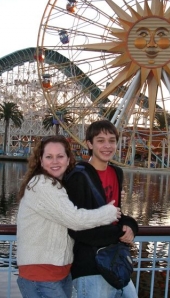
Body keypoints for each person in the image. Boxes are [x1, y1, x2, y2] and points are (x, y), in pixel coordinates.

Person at [16, 135, 121, 298]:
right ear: (41, 161)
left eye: (60, 156)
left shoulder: (58, 186)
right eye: (49, 157)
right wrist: (109, 212)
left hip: (59, 273)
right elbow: (75, 219)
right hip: (40, 276)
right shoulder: (42, 184)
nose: (55, 161)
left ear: (68, 160)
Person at [64, 120, 139, 298]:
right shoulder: (78, 176)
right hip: (90, 266)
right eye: (100, 140)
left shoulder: (116, 173)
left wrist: (131, 226)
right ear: (89, 144)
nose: (107, 146)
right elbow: (76, 226)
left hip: (114, 262)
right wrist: (118, 233)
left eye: (112, 140)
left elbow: (115, 214)